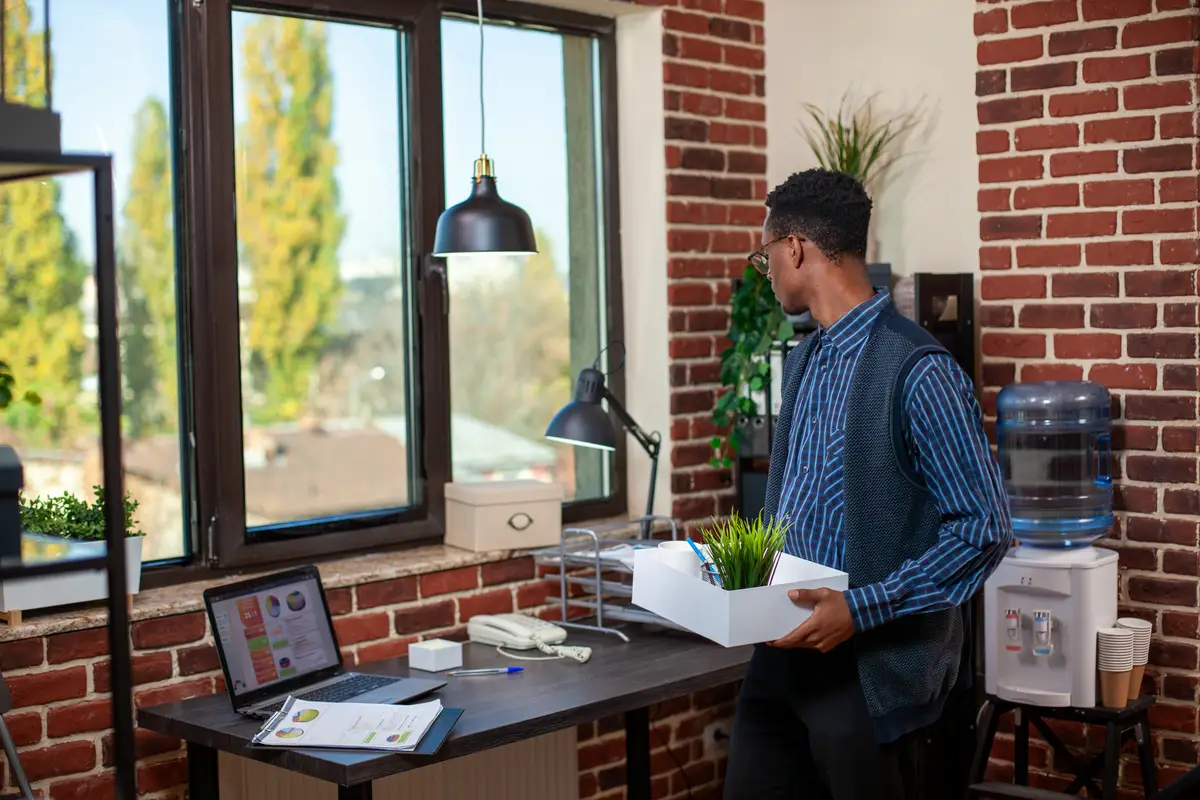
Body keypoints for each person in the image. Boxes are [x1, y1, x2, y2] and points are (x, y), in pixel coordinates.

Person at [722, 168, 1013, 800]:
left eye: (765, 254)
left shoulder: (920, 371)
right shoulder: (803, 362)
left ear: (794, 248)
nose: (765, 269)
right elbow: (796, 504)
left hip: (869, 675)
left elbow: (984, 531)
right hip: (780, 656)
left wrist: (860, 609)